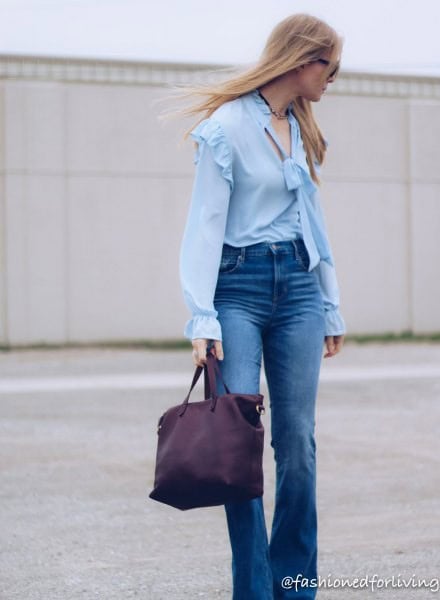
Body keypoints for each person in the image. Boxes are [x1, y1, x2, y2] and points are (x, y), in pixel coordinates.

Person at [179, 13, 346, 600]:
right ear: (304, 60)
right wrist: (202, 315)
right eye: (331, 67)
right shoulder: (227, 129)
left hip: (298, 289)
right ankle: (253, 590)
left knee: (297, 443)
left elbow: (313, 222)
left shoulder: (302, 128)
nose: (334, 79)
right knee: (239, 441)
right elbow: (205, 224)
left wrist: (330, 301)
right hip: (238, 288)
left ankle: (295, 587)